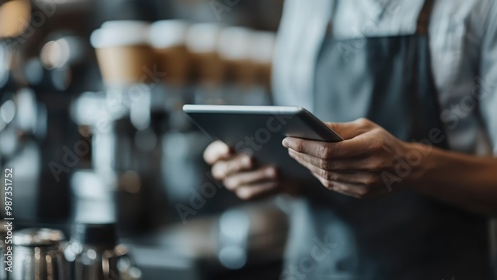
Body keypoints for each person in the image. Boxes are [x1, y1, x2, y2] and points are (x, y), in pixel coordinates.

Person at [204, 0, 497, 278]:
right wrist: (272, 171)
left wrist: (411, 166)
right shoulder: (308, 7)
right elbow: (293, 137)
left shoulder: (479, 8)